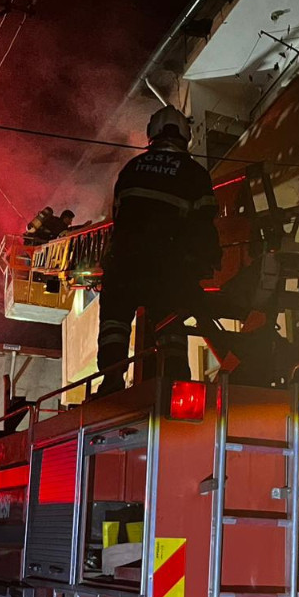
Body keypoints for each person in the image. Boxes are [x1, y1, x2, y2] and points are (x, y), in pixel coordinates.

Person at [96, 105, 221, 394]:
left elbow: (118, 216)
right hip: (167, 267)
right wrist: (208, 259)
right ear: (186, 135)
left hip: (123, 263)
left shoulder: (131, 169)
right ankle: (175, 379)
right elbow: (204, 224)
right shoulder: (194, 173)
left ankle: (111, 380)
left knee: (114, 322)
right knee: (169, 323)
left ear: (151, 133)